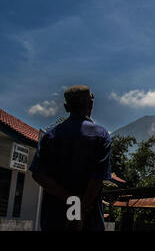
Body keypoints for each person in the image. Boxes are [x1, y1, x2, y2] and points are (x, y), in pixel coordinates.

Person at [30, 85, 111, 231]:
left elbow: (38, 174)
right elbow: (96, 179)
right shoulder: (100, 135)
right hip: (89, 221)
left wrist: (71, 200)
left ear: (66, 107)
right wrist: (79, 210)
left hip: (54, 220)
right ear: (91, 104)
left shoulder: (50, 136)